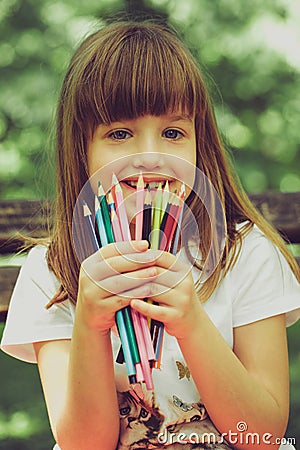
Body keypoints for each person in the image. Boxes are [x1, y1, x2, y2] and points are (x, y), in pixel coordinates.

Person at [1, 20, 300, 450]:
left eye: (173, 133)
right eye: (119, 134)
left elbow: (262, 437)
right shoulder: (52, 272)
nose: (150, 157)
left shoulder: (245, 255)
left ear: (201, 143)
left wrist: (191, 322)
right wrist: (90, 322)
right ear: (81, 148)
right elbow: (84, 445)